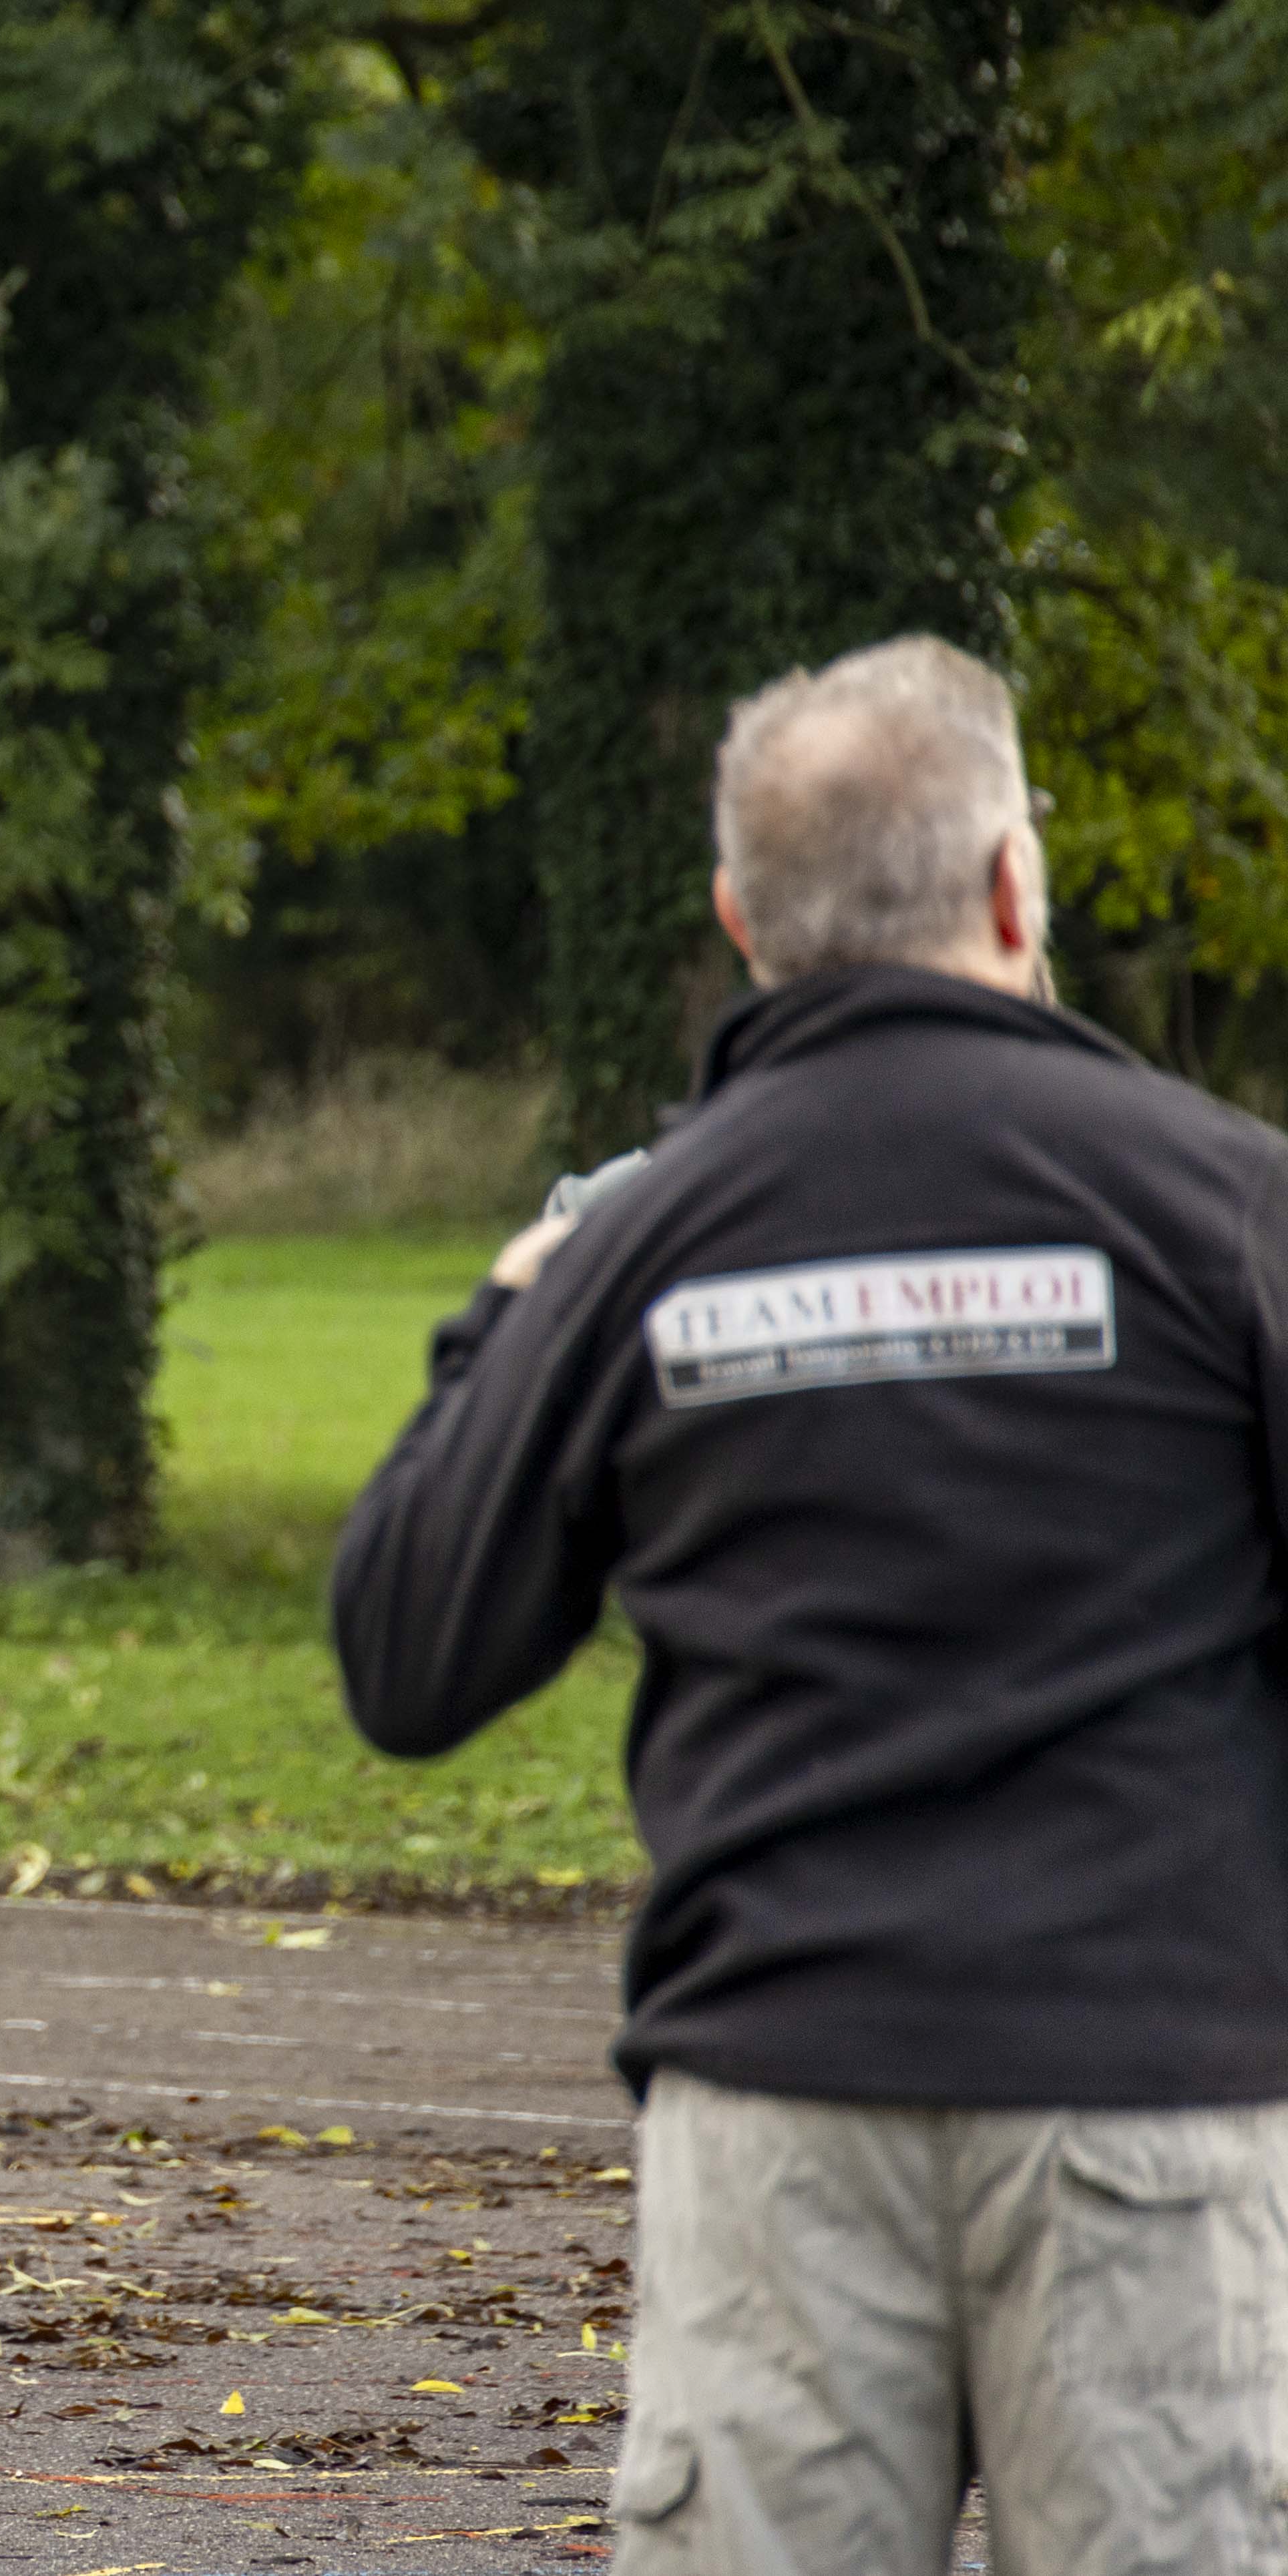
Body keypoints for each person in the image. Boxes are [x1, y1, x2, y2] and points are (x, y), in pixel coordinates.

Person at [331, 635, 1288, 2576]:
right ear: (1020, 883)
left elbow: (412, 1654)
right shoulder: (1225, 1206)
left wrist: (505, 1313)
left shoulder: (644, 1244)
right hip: (1148, 2100)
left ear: (738, 919)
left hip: (777, 2116)